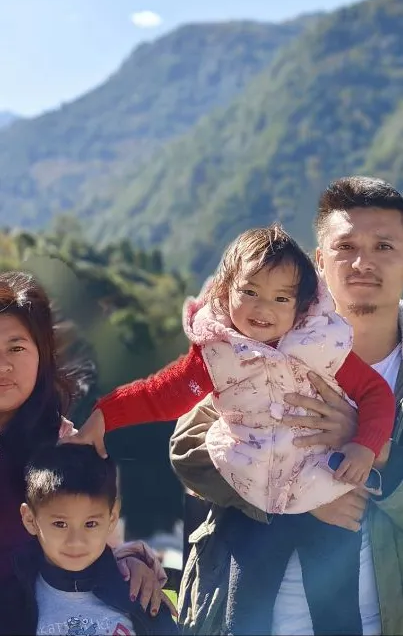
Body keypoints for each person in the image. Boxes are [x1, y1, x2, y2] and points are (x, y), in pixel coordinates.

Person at [71, 224, 394, 634]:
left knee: (338, 617)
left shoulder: (320, 347)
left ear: (301, 306)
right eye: (251, 292)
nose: (264, 308)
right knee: (243, 617)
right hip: (254, 500)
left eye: (281, 298)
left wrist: (364, 447)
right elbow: (162, 394)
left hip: (324, 493)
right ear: (225, 289)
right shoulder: (217, 354)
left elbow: (375, 394)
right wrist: (104, 416)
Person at [170, 175, 403, 636]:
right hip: (245, 616)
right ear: (319, 262)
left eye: (384, 246)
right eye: (345, 246)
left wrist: (367, 448)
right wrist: (294, 498)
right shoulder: (264, 345)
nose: (362, 262)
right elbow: (188, 448)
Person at [0, 270, 174, 617]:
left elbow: (98, 537)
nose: (3, 366)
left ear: (43, 354)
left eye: (16, 348)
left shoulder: (64, 447)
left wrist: (128, 561)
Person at [0, 442, 177, 636]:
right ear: (30, 519)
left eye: (90, 524)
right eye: (60, 524)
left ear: (112, 518)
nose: (76, 541)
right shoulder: (12, 604)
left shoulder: (141, 595)